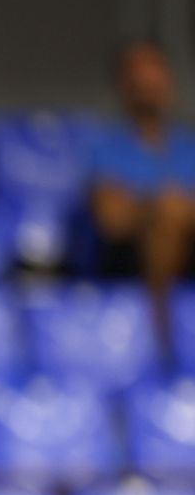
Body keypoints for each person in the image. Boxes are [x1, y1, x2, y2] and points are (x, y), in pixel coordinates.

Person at [89, 38, 195, 354]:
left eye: (155, 74)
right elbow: (112, 219)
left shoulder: (188, 146)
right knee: (171, 214)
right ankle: (164, 344)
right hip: (128, 256)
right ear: (123, 85)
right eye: (139, 76)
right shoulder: (104, 146)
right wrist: (161, 208)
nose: (149, 84)